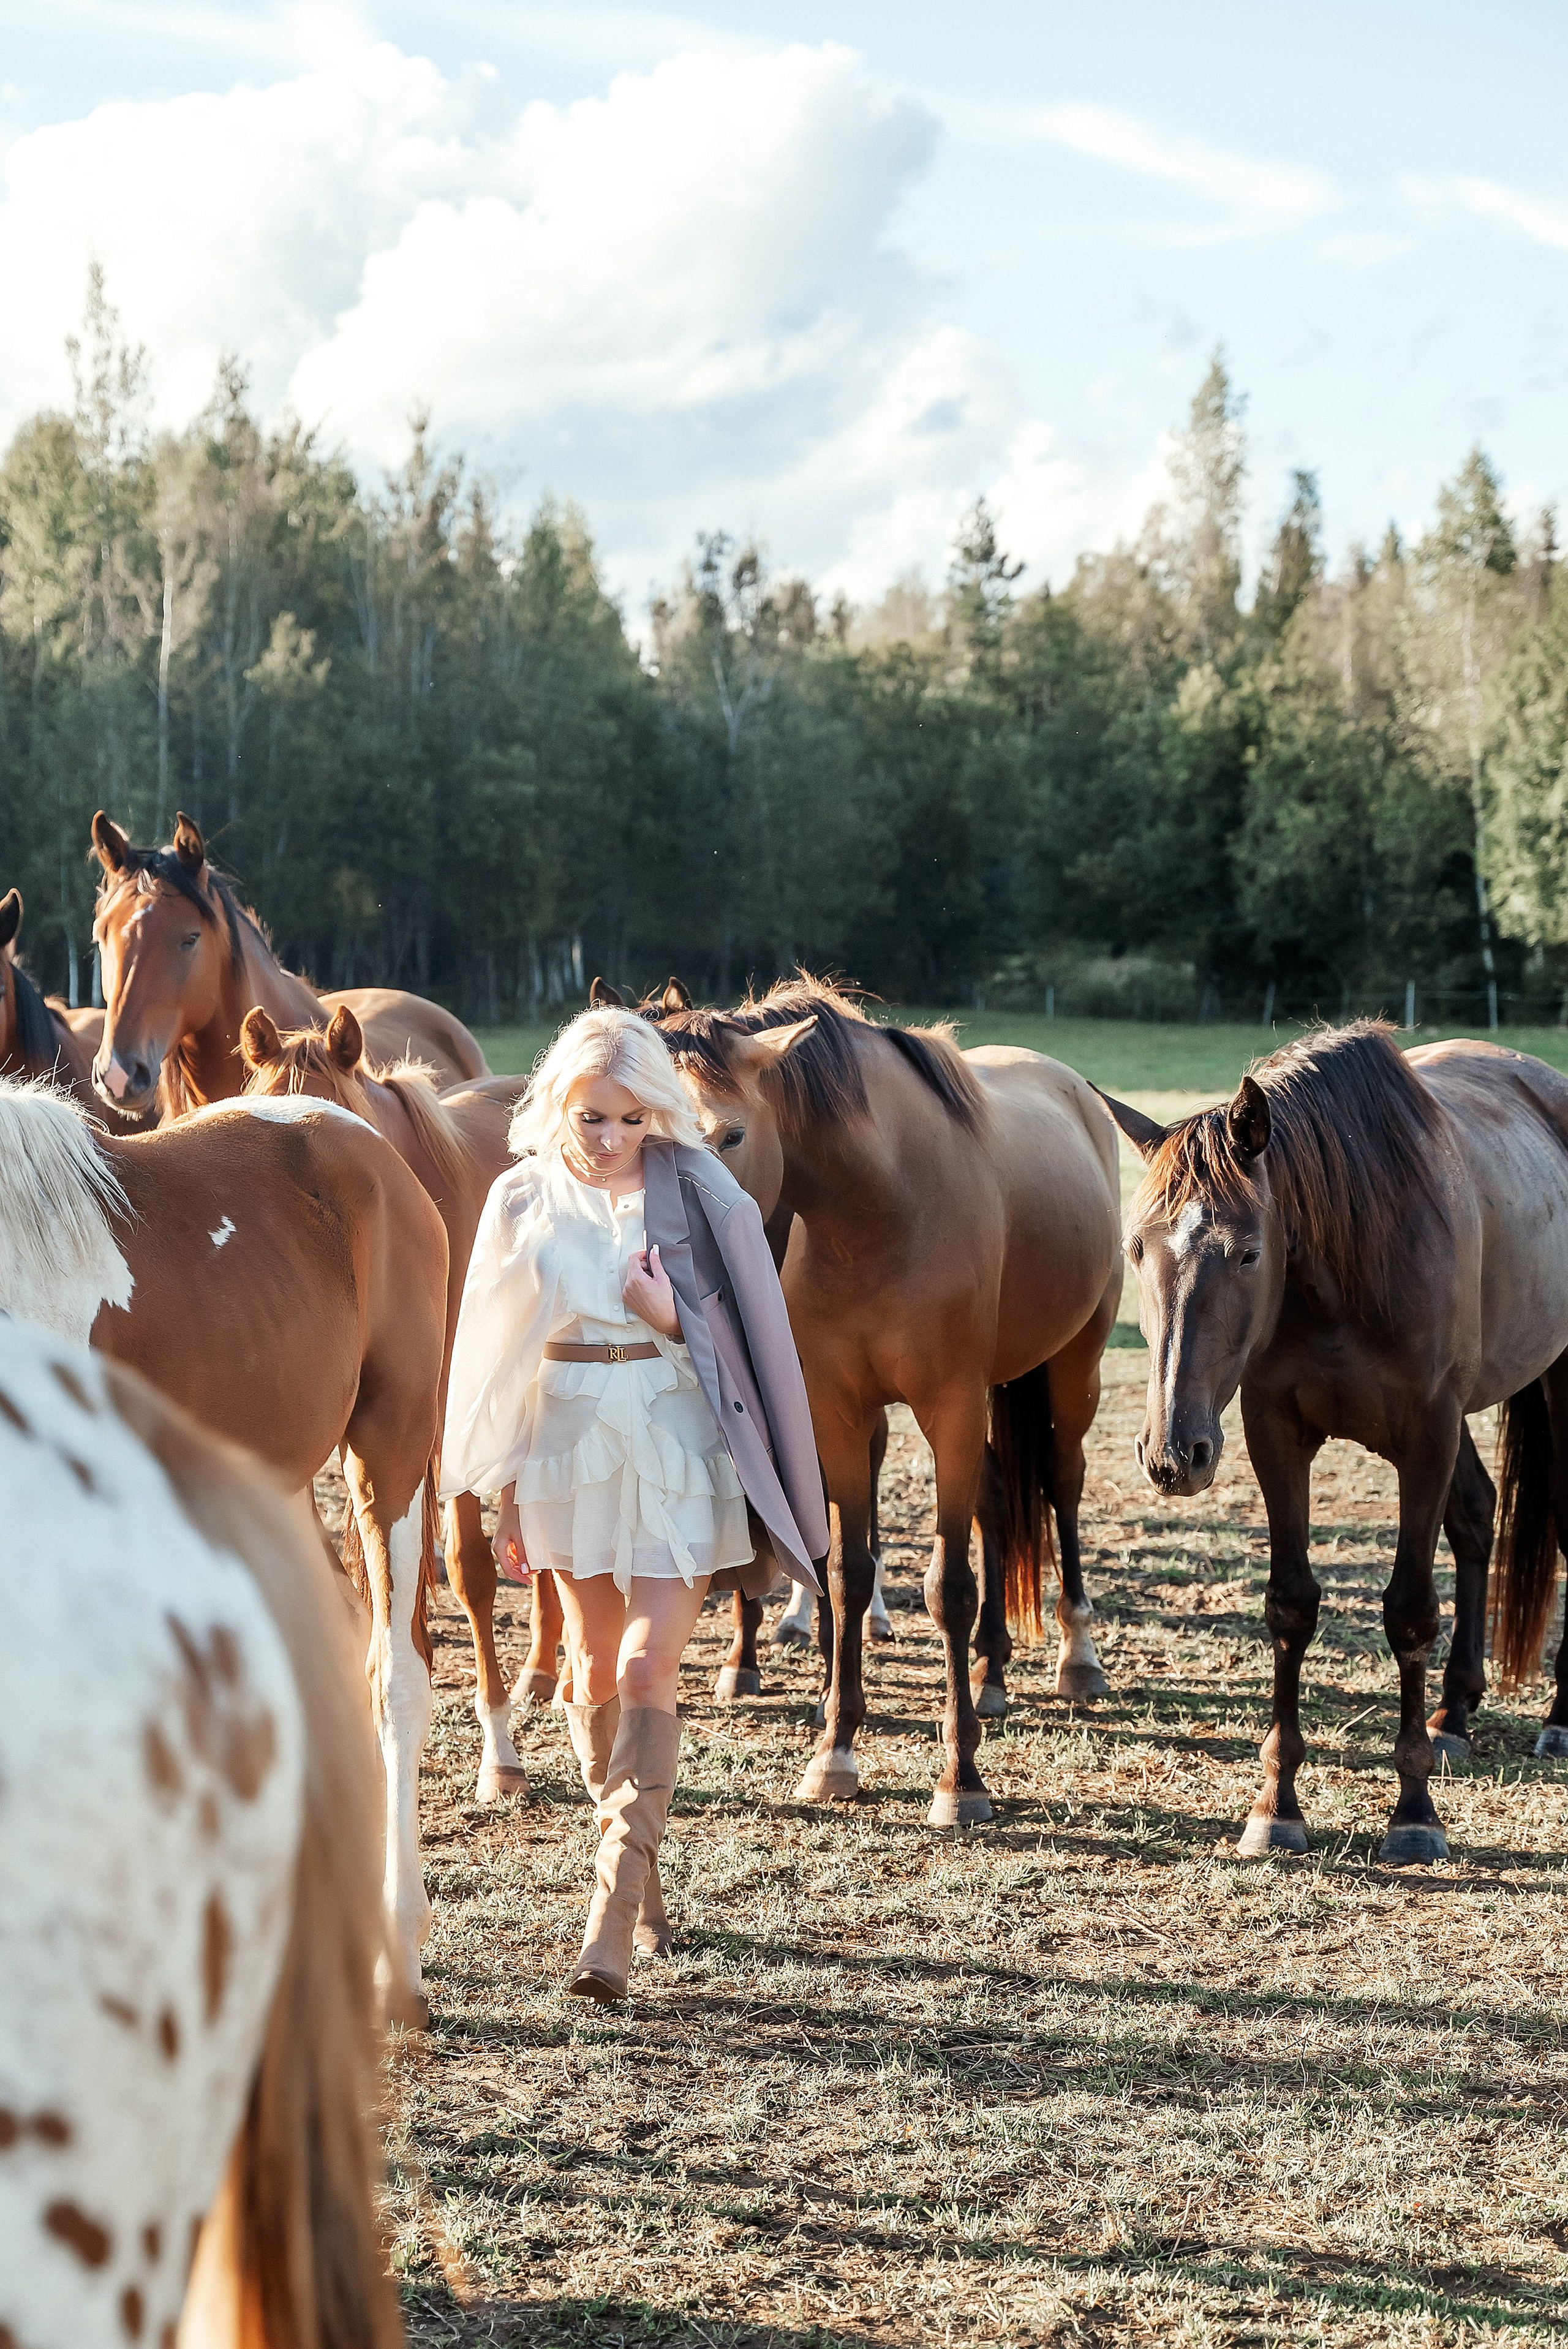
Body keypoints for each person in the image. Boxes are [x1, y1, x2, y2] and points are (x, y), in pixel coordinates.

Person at [440, 1003, 827, 2001]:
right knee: (587, 1671)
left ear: (656, 1113)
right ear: (559, 1106)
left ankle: (607, 1925)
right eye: (591, 1117)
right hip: (567, 1447)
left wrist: (674, 1316)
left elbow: (760, 1349)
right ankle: (643, 1881)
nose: (609, 1138)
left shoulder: (707, 1195)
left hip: (678, 1446)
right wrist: (507, 1493)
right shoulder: (521, 1200)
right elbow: (501, 1357)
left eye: (627, 1119)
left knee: (651, 1664)